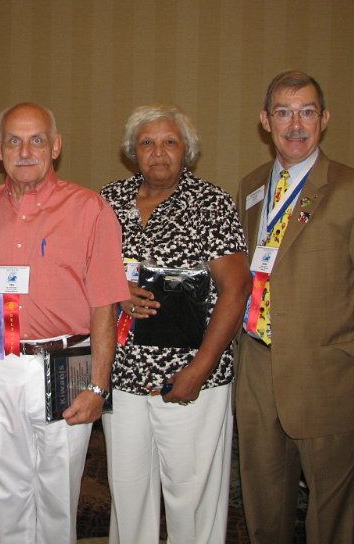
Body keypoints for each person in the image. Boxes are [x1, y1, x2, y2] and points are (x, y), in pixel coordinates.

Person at [235, 70, 354, 544]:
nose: (295, 125)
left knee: (330, 518)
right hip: (258, 368)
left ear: (324, 119)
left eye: (307, 112)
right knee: (263, 505)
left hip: (331, 377)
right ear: (264, 121)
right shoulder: (250, 187)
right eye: (284, 113)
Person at [0, 102, 129, 543]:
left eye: (37, 140)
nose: (25, 151)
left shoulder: (90, 209)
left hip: (66, 361)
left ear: (56, 146)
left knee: (59, 492)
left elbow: (105, 305)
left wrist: (98, 385)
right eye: (14, 140)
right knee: (3, 488)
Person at [99, 104, 252, 543]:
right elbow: (86, 274)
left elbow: (236, 290)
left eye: (170, 142)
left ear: (188, 151)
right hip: (122, 374)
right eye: (147, 143)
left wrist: (199, 371)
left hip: (190, 377)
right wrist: (116, 291)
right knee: (128, 494)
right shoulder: (106, 202)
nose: (159, 152)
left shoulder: (211, 203)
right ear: (133, 152)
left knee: (191, 498)